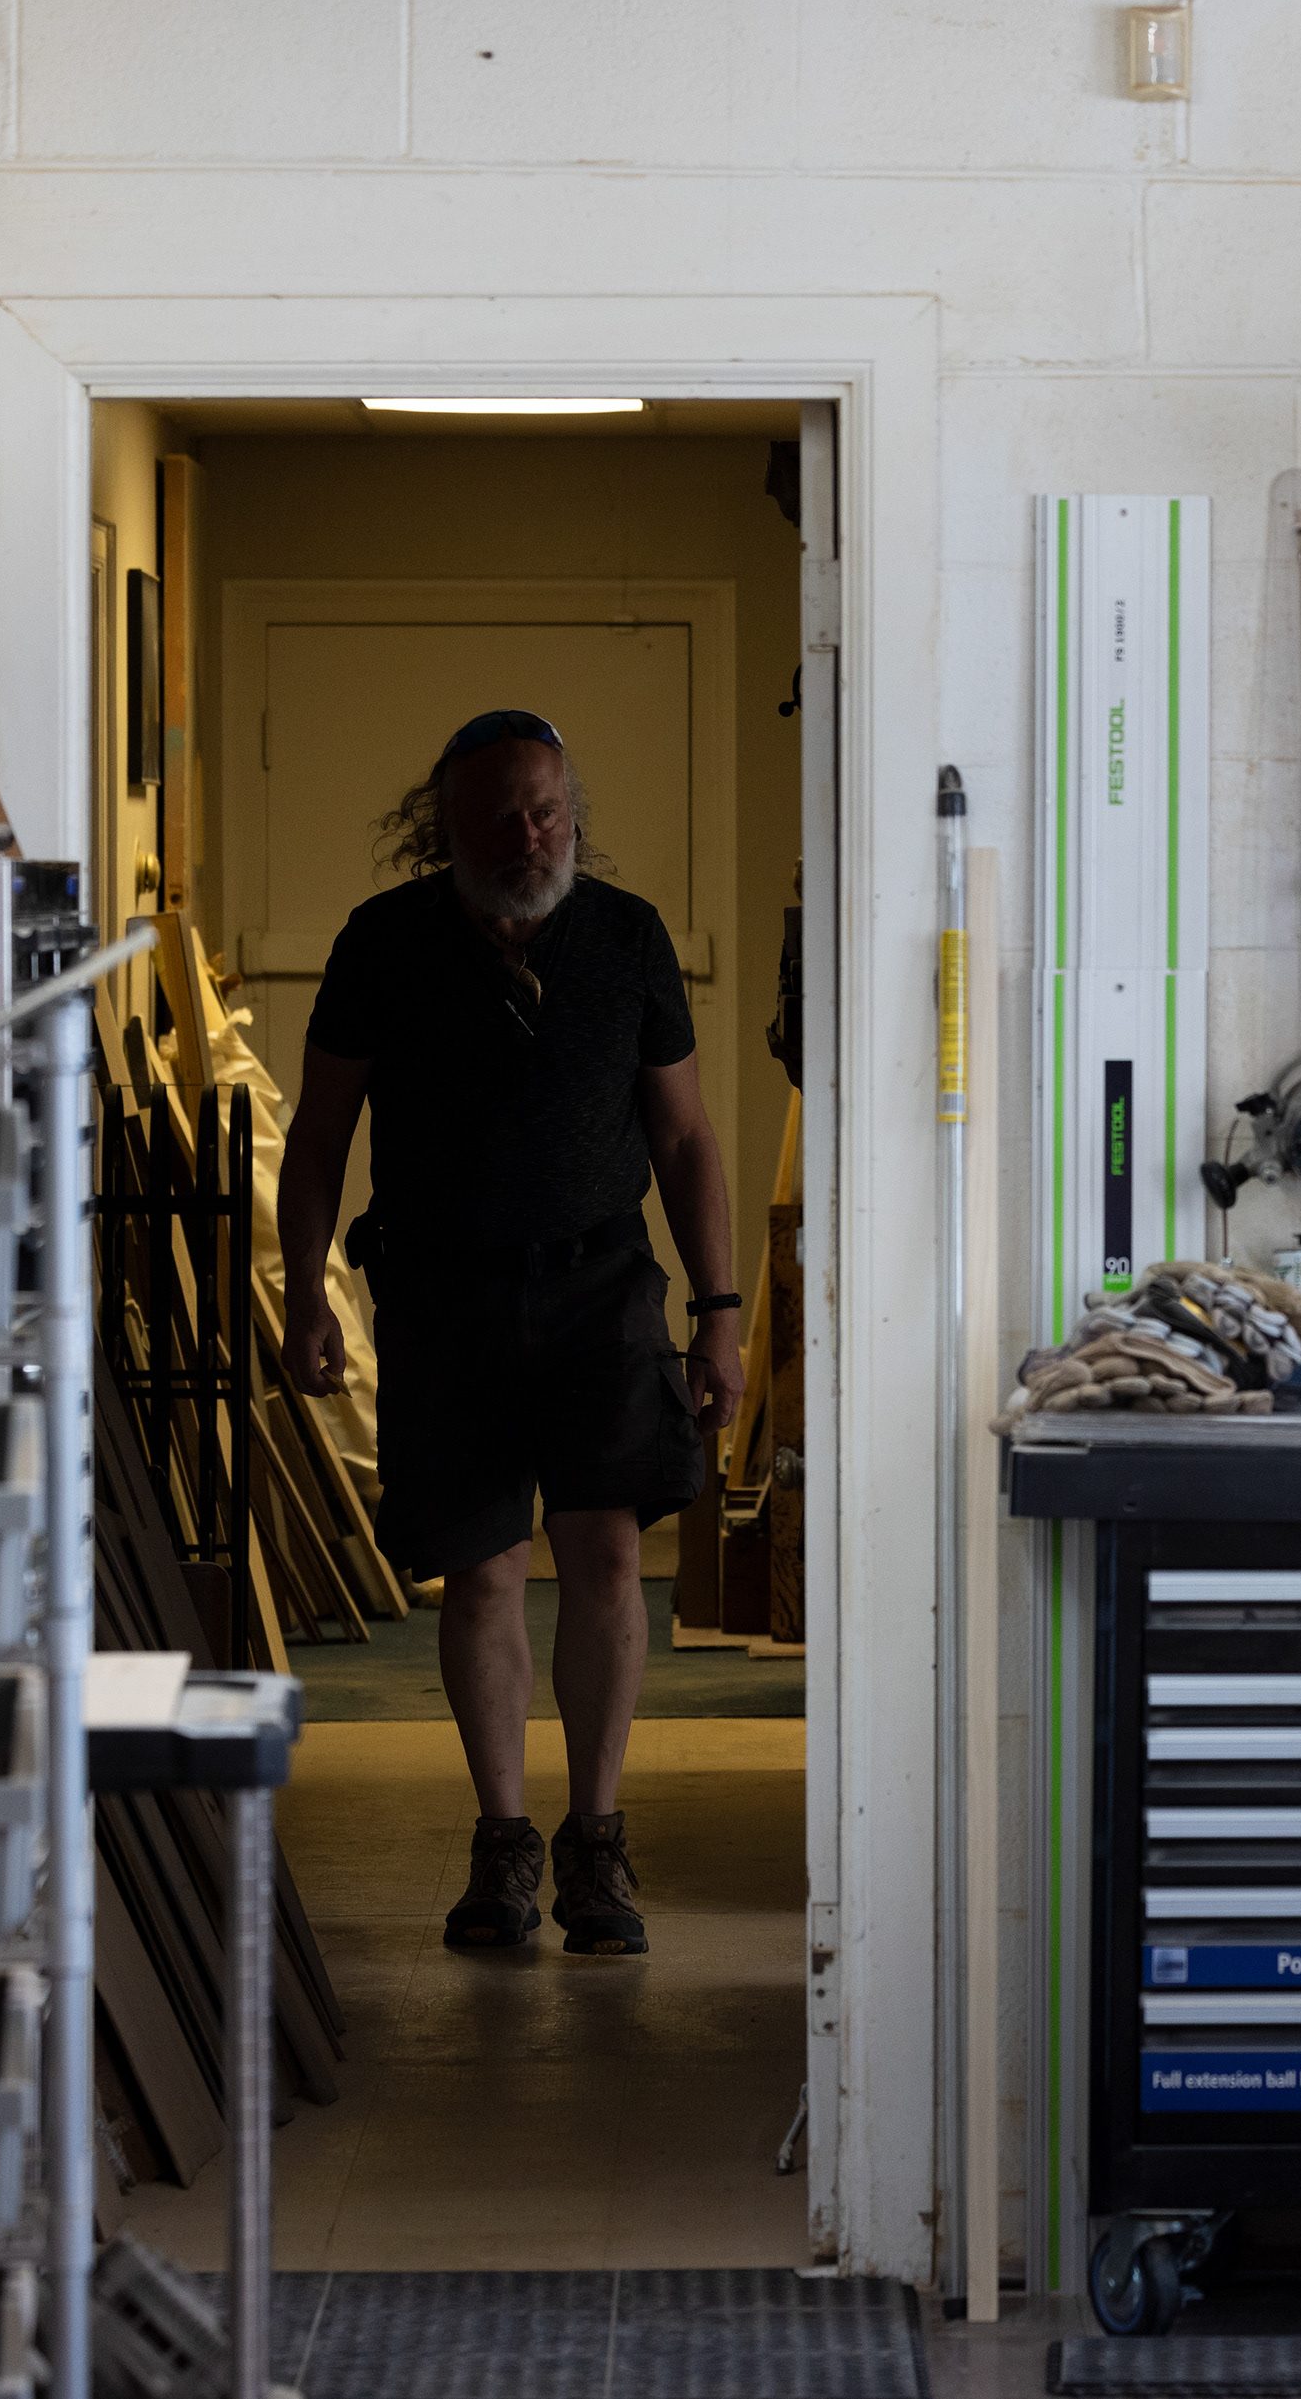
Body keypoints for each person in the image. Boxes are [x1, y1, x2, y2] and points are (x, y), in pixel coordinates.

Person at [281, 708, 745, 1957]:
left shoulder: (629, 935)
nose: (529, 834)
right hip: (443, 1294)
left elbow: (685, 1135)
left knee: (605, 1555)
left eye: (547, 810)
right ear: (445, 826)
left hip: (603, 1288)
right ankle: (503, 1845)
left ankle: (597, 1841)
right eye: (501, 815)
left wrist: (720, 1311)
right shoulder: (384, 942)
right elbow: (319, 1135)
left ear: (572, 813)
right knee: (482, 1569)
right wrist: (305, 1288)